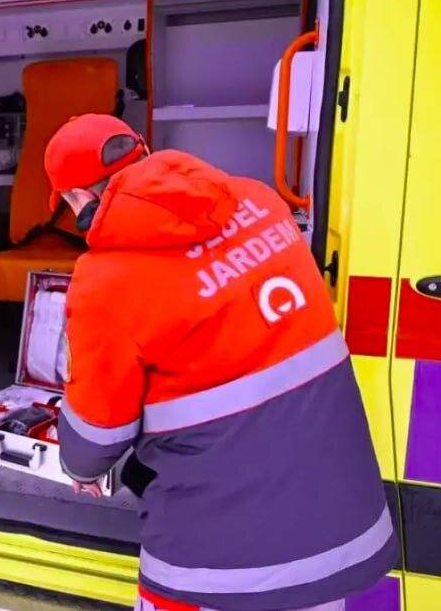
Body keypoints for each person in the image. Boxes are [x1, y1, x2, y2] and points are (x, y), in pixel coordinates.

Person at [45, 114, 397, 611]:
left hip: (216, 568)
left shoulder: (106, 281)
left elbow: (96, 438)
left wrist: (78, 465)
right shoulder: (260, 201)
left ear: (77, 199)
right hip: (342, 538)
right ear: (145, 154)